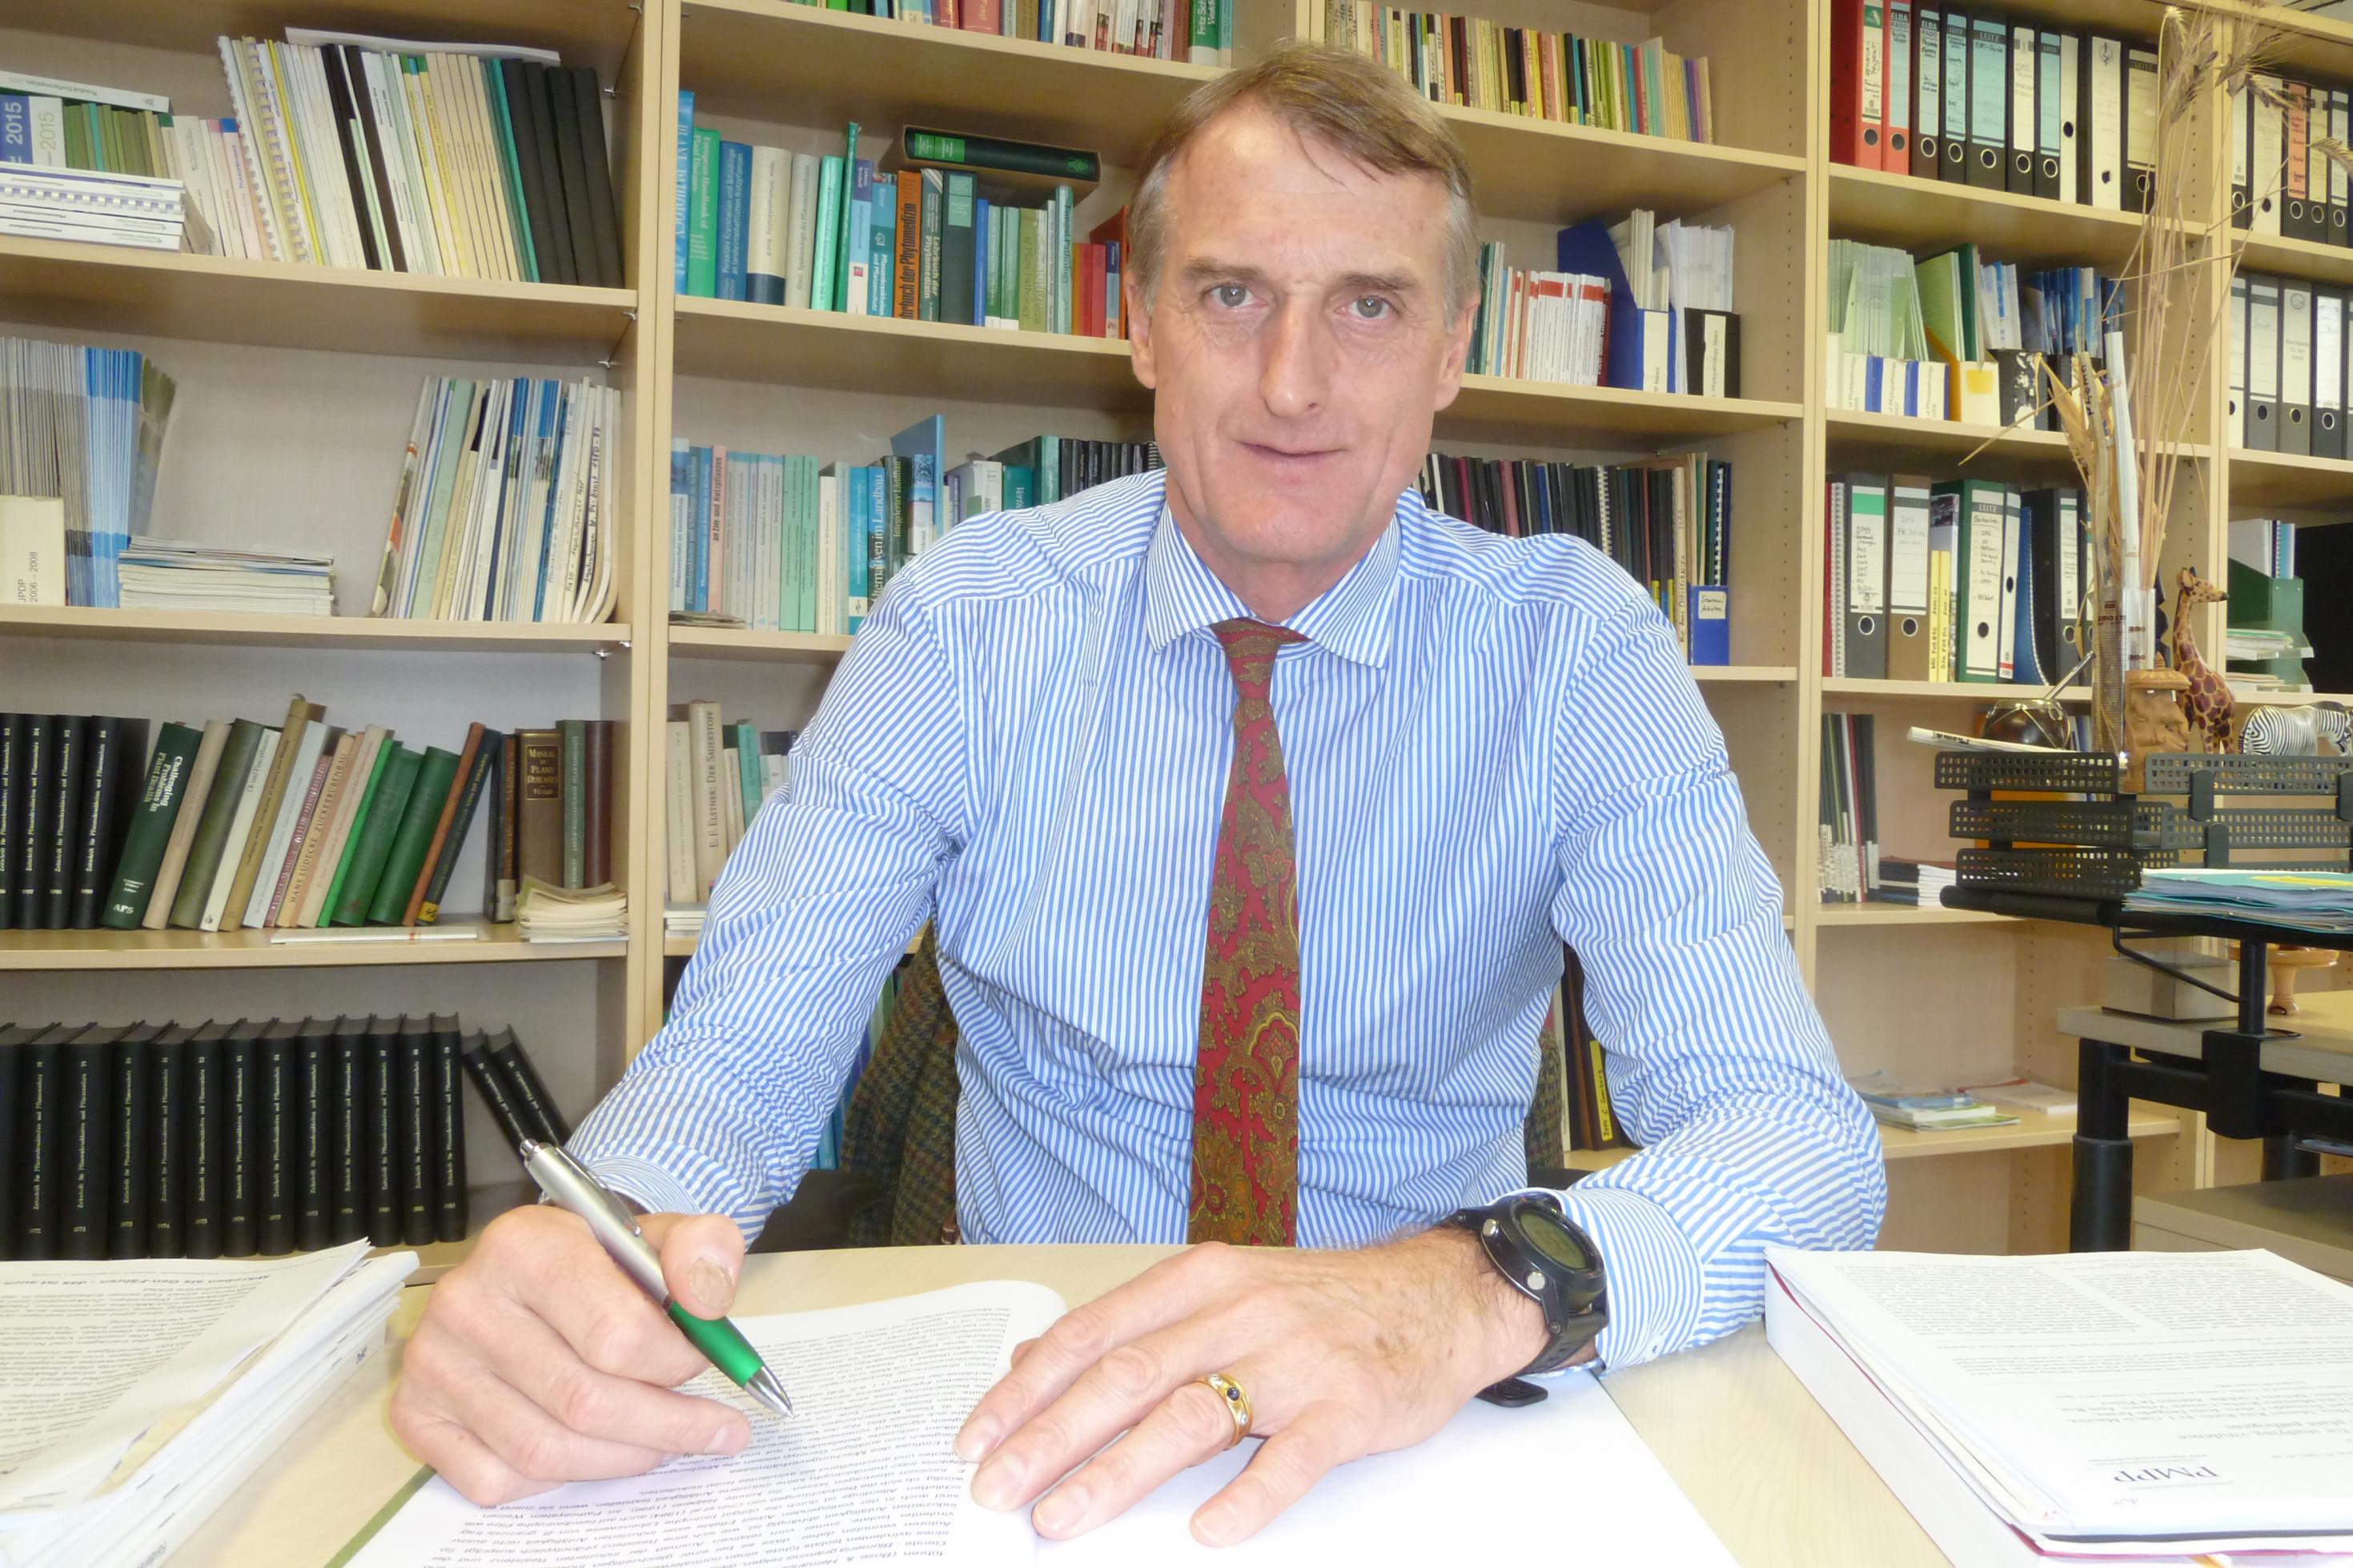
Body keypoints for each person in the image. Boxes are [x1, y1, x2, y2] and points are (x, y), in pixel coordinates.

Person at [391, 42, 1883, 1547]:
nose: (1294, 383)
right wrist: (615, 1252)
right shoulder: (969, 620)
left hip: (1430, 1407)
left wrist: (1477, 1290)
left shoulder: (1576, 645)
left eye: (1370, 305)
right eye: (1232, 294)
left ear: (1450, 349)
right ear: (1143, 325)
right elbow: (739, 1059)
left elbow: (1799, 1141)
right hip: (1041, 1405)